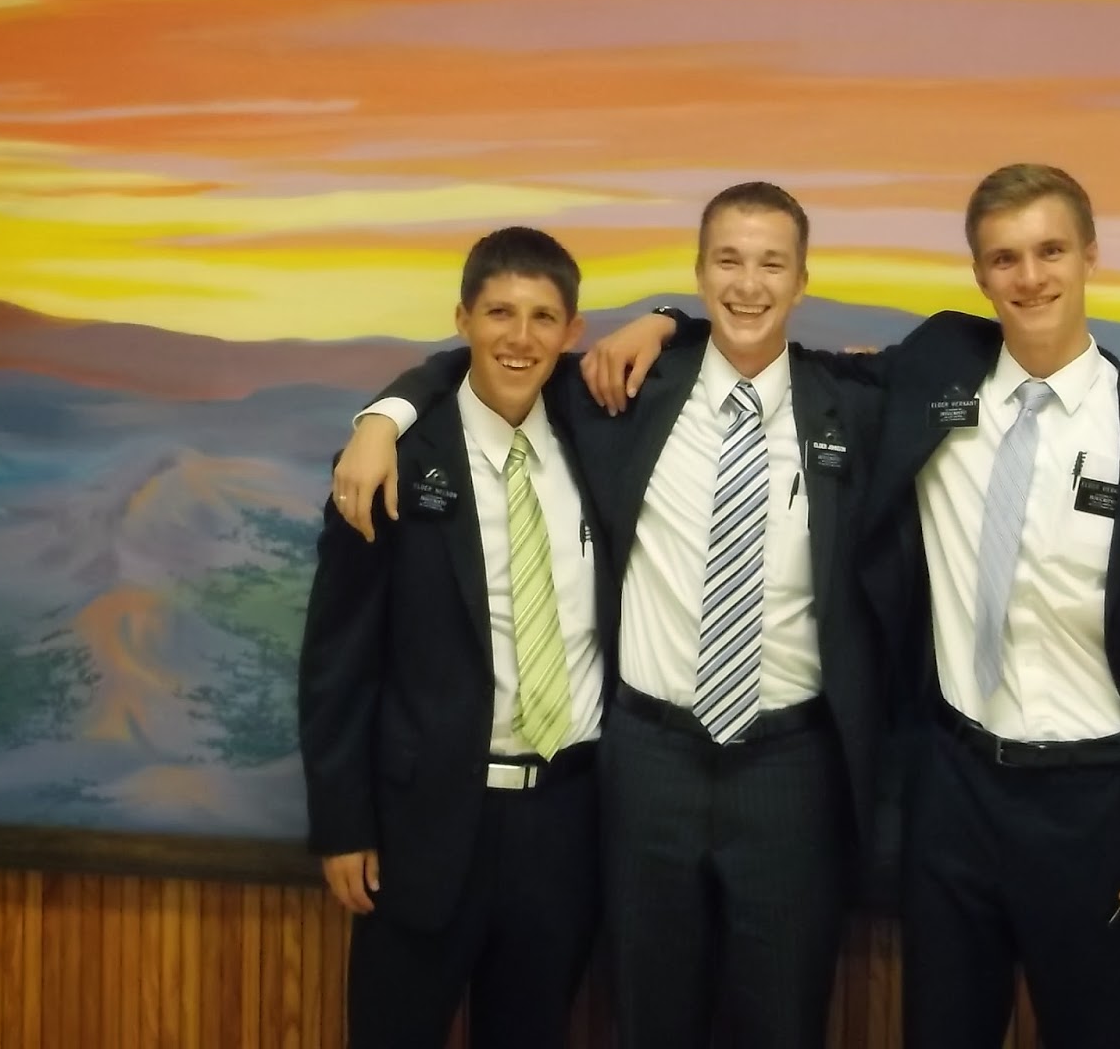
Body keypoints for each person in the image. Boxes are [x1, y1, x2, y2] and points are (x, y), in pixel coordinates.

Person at [580, 163, 1120, 1048]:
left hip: (1098, 804)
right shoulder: (936, 372)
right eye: (1004, 258)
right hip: (951, 792)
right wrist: (667, 317)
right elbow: (757, 341)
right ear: (979, 274)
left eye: (1050, 251)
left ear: (1090, 255)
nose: (1030, 276)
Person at [330, 183, 887, 1049]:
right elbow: (491, 364)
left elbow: (958, 359)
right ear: (698, 273)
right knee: (647, 1018)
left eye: (771, 264)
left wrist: (661, 320)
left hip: (790, 766)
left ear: (802, 280)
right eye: (728, 261)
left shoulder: (850, 403)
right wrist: (383, 414)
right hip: (646, 763)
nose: (748, 283)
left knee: (784, 1020)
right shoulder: (626, 397)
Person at [297, 227, 613, 1049]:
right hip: (425, 826)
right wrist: (343, 825)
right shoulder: (392, 462)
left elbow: (704, 350)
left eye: (543, 317)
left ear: (572, 333)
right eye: (499, 312)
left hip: (566, 822)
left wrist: (661, 318)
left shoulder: (601, 440)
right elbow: (337, 658)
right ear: (463, 318)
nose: (520, 337)